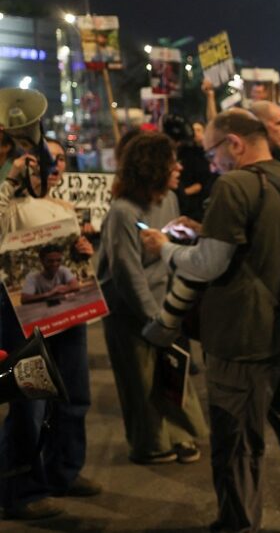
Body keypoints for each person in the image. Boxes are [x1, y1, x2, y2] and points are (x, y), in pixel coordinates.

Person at [139, 109, 280, 532]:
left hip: (242, 339)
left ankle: (237, 523)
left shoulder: (236, 183)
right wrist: (203, 228)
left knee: (236, 441)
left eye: (212, 152)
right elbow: (263, 242)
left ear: (234, 143)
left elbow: (206, 265)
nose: (211, 162)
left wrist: (163, 247)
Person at [0, 141, 99, 522]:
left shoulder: (64, 207)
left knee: (73, 395)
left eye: (58, 160)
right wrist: (8, 180)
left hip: (69, 315)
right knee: (30, 402)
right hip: (20, 316)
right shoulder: (10, 206)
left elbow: (72, 264)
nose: (53, 166)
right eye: (42, 161)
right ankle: (22, 490)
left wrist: (84, 250)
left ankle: (64, 471)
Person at [97, 131, 207, 464]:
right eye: (172, 161)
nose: (179, 167)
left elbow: (169, 254)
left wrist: (172, 310)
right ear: (153, 167)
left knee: (172, 374)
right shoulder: (123, 212)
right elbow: (127, 274)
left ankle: (182, 436)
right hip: (130, 312)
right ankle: (152, 444)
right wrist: (154, 318)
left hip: (165, 306)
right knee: (140, 381)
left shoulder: (167, 200)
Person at [163, 115, 213, 222]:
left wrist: (182, 193)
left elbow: (201, 183)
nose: (178, 167)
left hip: (191, 208)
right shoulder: (164, 153)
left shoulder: (195, 154)